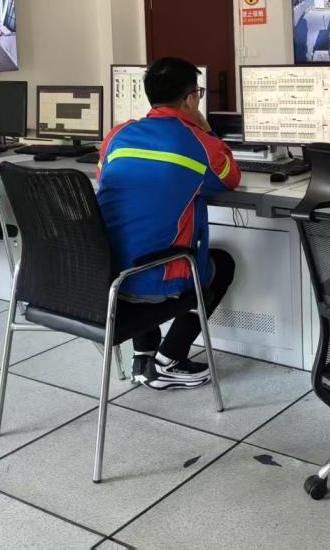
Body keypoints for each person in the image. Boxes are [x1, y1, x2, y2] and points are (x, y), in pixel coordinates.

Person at [96, 57, 241, 390]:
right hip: (152, 279)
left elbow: (104, 180)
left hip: (106, 274)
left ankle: (143, 356)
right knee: (222, 264)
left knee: (138, 237)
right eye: (198, 94)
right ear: (190, 99)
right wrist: (206, 130)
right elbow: (230, 177)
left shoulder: (117, 135)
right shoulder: (198, 142)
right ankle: (168, 359)